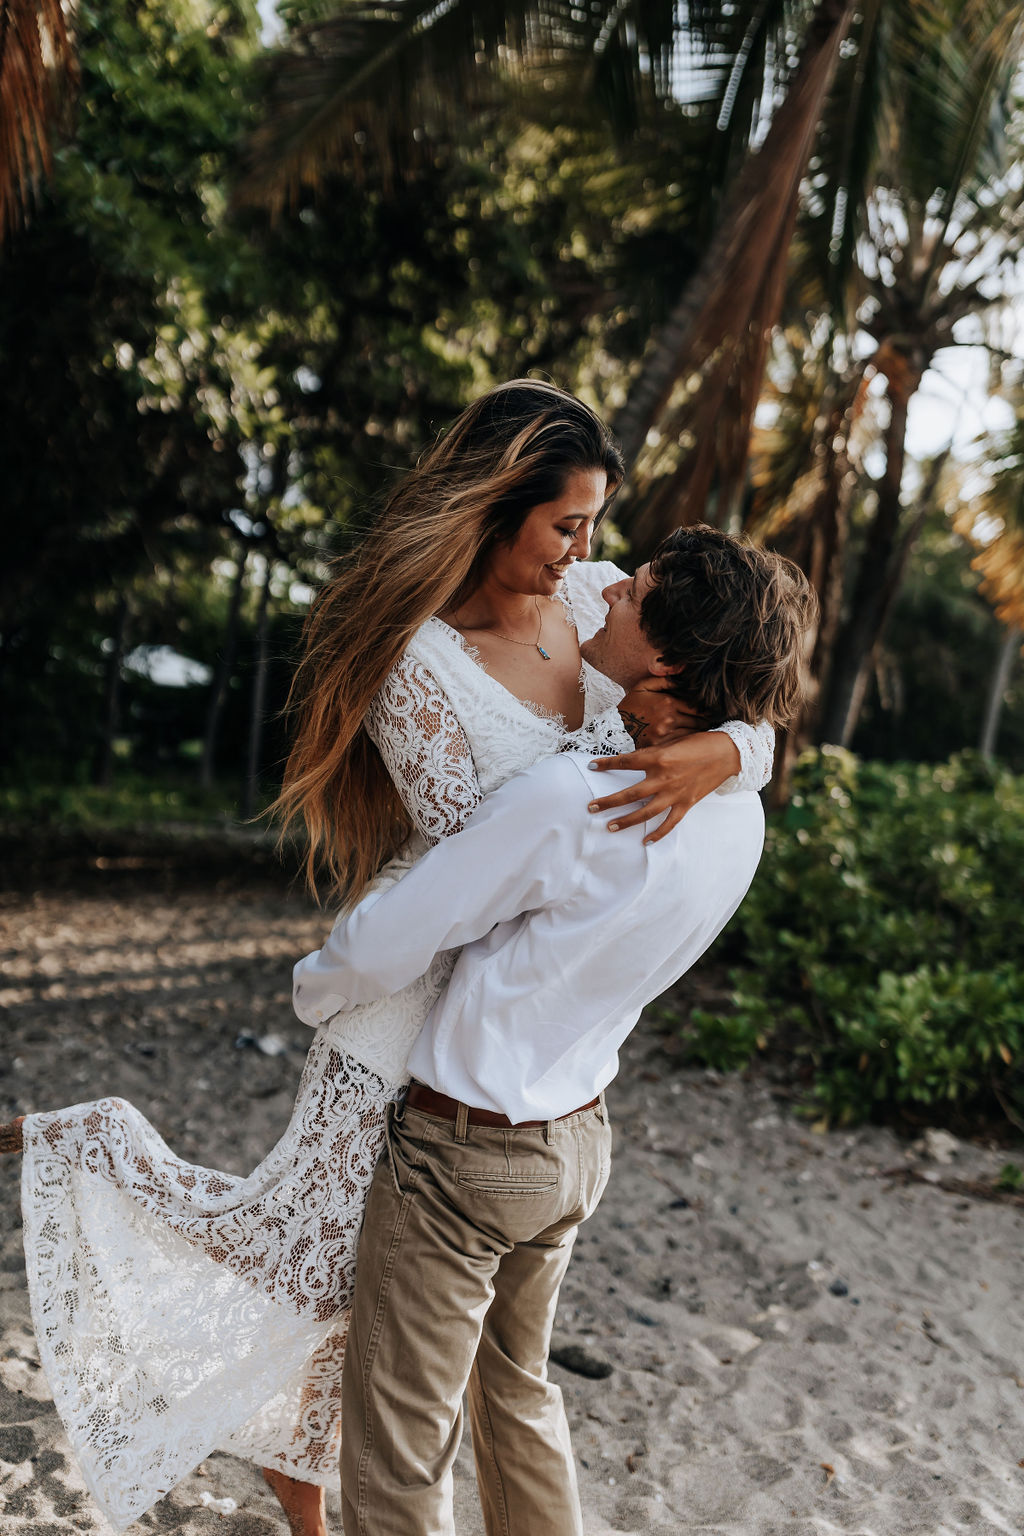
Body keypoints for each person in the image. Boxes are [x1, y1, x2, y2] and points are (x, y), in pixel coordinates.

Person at [2, 382, 773, 1535]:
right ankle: (95, 1147)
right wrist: (327, 986)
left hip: (501, 1034)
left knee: (394, 1328)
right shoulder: (417, 659)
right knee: (309, 1287)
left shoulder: (586, 606)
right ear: (498, 506)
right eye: (567, 524)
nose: (588, 556)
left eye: (596, 529)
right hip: (397, 1013)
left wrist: (733, 748)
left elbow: (700, 679)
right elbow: (473, 870)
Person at [294, 525, 816, 1536]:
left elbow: (392, 938)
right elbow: (730, 725)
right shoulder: (733, 808)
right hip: (573, 1142)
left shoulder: (577, 804)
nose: (604, 591)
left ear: (663, 663)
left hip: (466, 1155)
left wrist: (315, 992)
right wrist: (740, 743)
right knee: (518, 1400)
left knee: (397, 1460)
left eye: (637, 593)